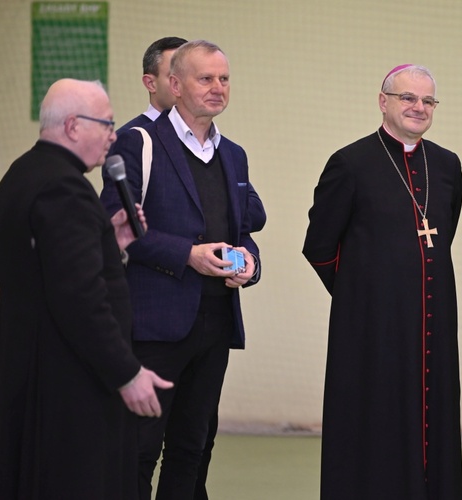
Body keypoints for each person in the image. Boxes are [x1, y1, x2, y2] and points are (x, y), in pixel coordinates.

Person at [0, 78, 172, 500]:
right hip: (65, 377)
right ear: (72, 126)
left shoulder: (24, 174)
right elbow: (80, 299)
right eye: (106, 124)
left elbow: (50, 268)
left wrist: (111, 244)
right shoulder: (65, 189)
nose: (113, 135)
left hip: (27, 361)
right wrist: (127, 373)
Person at [101, 40, 262, 500]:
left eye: (224, 79)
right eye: (205, 78)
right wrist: (187, 255)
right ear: (174, 84)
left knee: (193, 448)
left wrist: (249, 263)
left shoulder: (233, 154)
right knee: (139, 447)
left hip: (215, 322)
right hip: (155, 325)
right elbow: (116, 226)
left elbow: (243, 228)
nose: (217, 88)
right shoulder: (137, 143)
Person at [303, 64, 462, 500]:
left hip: (433, 325)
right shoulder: (350, 163)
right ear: (383, 102)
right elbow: (318, 245)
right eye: (407, 98)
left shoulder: (448, 165)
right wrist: (363, 297)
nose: (418, 107)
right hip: (369, 330)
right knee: (374, 423)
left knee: (435, 419)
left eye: (427, 100)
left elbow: (441, 236)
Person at [117, 36, 187, 134]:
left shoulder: (209, 138)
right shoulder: (128, 139)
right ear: (150, 84)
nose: (187, 84)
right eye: (174, 77)